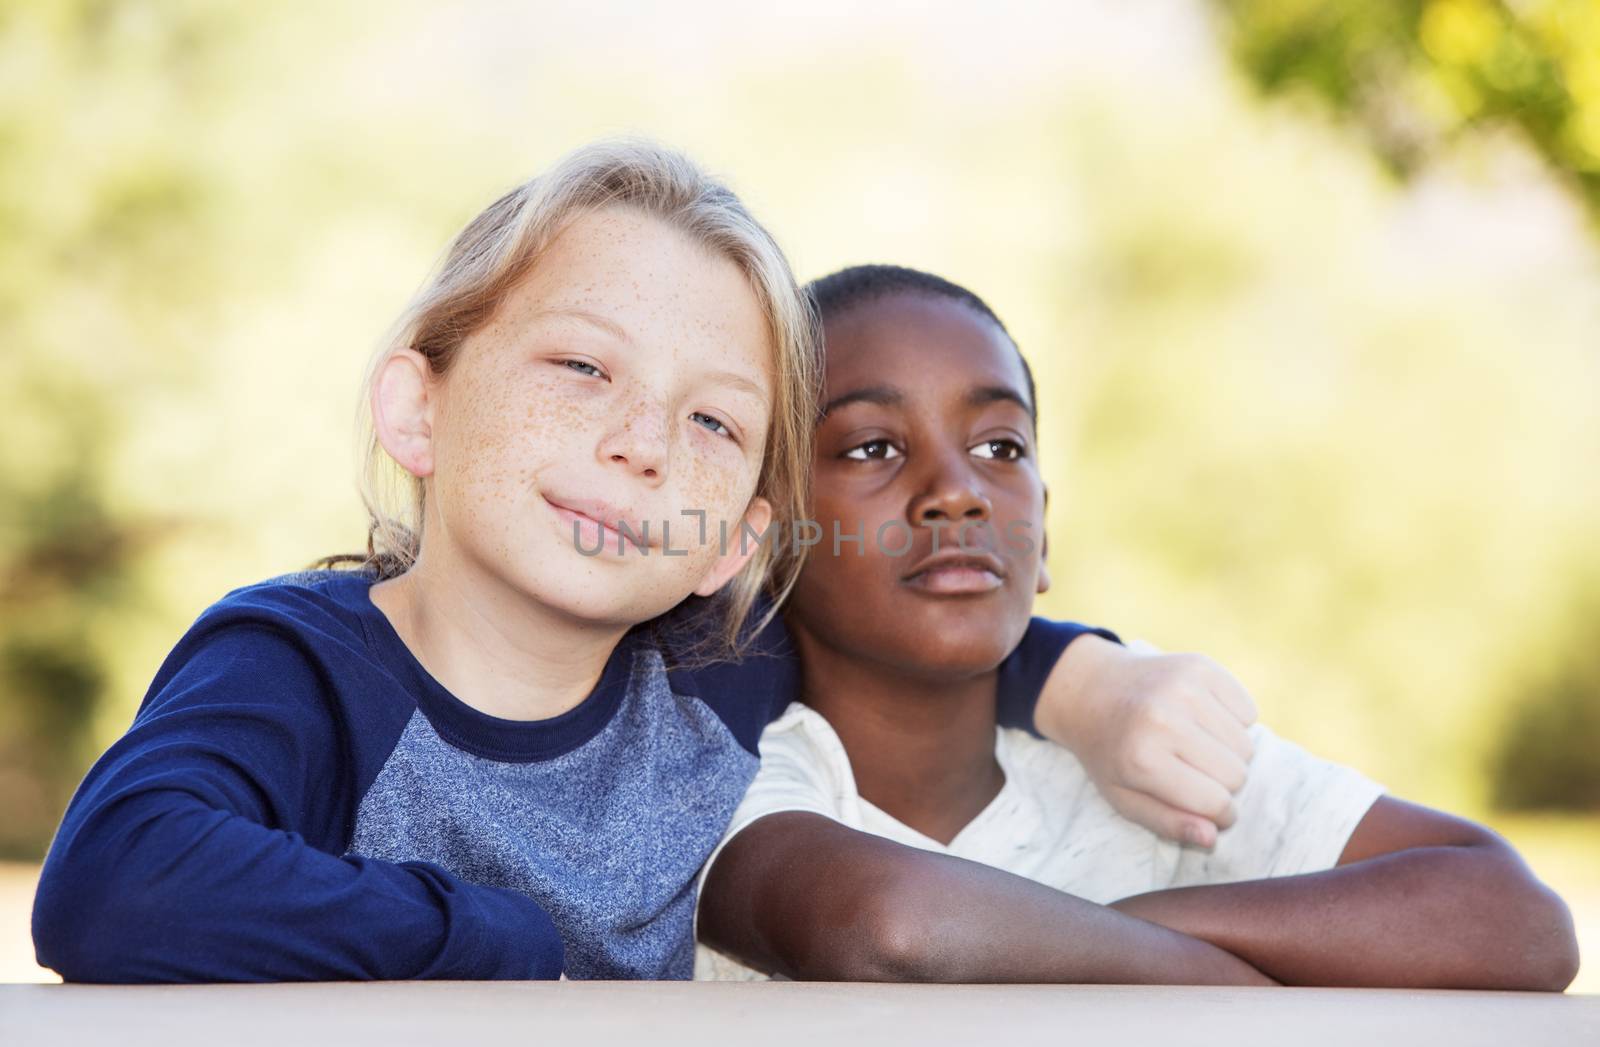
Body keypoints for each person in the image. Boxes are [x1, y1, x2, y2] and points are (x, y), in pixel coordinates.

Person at [31, 145, 1255, 983]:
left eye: (714, 422)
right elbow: (118, 878)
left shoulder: (718, 669)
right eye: (581, 367)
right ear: (418, 408)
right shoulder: (303, 665)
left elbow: (898, 600)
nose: (640, 446)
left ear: (737, 540)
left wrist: (1090, 682)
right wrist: (504, 940)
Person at [695, 265, 1581, 990]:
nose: (959, 489)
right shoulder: (723, 762)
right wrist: (1243, 980)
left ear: (1044, 528)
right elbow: (888, 925)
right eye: (872, 447)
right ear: (768, 535)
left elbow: (1519, 918)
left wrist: (1138, 929)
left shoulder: (1136, 743)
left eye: (1001, 447)